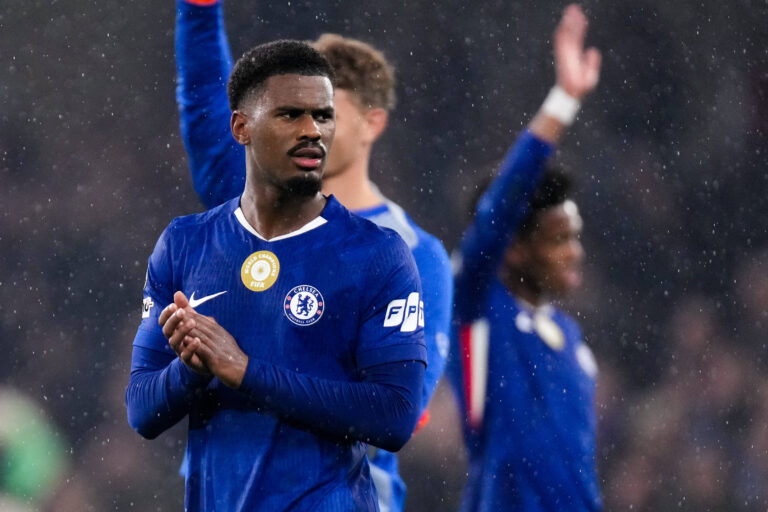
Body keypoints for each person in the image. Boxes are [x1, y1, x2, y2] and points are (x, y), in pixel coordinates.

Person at [125, 40, 428, 511]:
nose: (313, 131)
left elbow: (395, 416)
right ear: (241, 127)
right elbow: (141, 409)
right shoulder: (185, 244)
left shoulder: (376, 254)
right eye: (290, 115)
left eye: (323, 115)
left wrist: (244, 372)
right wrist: (191, 370)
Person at [447, 5, 603, 511]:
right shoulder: (478, 306)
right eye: (559, 239)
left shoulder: (571, 338)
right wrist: (563, 103)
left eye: (574, 236)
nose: (574, 252)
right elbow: (499, 210)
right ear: (514, 247)